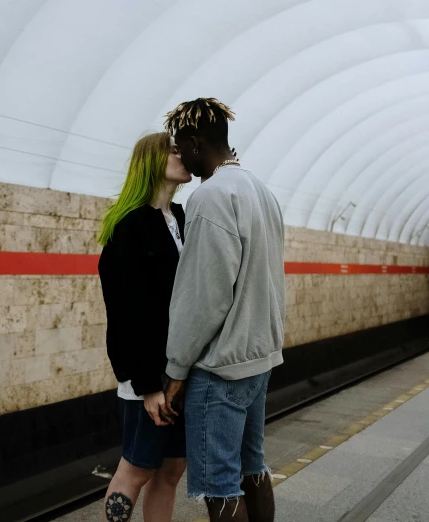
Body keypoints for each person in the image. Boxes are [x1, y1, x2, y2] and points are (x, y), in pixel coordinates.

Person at [160, 98, 285, 522]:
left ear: (196, 144)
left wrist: (176, 369)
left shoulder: (210, 196)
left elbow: (205, 295)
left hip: (221, 369)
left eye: (181, 146)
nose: (181, 155)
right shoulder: (261, 190)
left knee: (220, 485)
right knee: (253, 468)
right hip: (258, 359)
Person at [97, 132, 191, 522]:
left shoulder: (180, 218)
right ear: (152, 161)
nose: (183, 155)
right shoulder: (129, 225)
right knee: (136, 469)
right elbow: (125, 312)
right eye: (174, 150)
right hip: (148, 377)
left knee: (171, 471)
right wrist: (148, 386)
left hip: (180, 373)